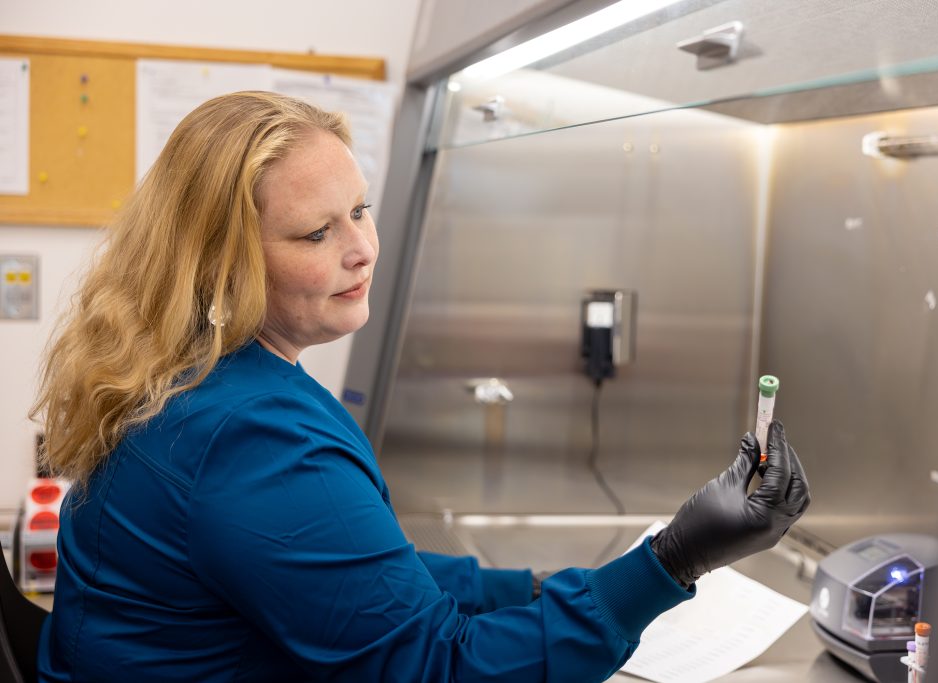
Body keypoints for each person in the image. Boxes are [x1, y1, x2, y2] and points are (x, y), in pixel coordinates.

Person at [31, 91, 810, 682]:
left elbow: (353, 572)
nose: (361, 248)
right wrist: (670, 560)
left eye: (360, 211)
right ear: (219, 263)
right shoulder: (248, 439)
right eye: (316, 232)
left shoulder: (197, 378)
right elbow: (439, 668)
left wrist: (531, 587)